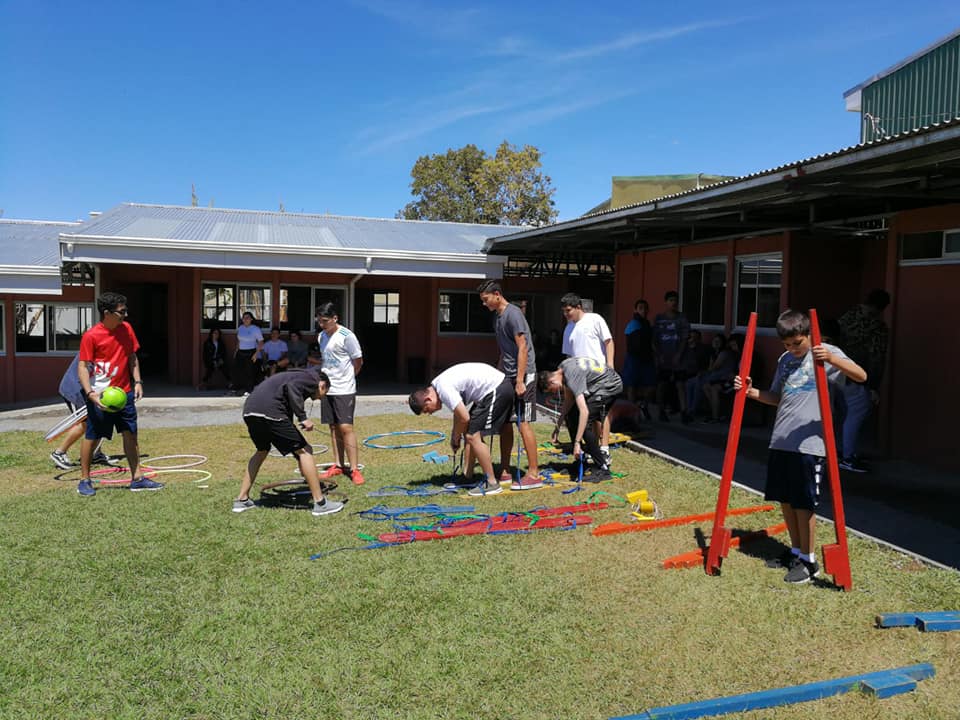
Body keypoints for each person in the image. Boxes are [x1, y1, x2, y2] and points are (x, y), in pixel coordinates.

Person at [735, 309, 866, 584]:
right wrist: (750, 392)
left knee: (803, 503)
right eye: (786, 345)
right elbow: (776, 397)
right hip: (781, 439)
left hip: (810, 444)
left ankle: (809, 561)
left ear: (808, 334)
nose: (792, 349)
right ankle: (794, 552)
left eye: (797, 343)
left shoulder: (825, 351)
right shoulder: (784, 360)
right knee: (785, 499)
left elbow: (861, 376)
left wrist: (831, 358)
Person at [75, 291, 163, 496]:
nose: (125, 315)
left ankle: (137, 478)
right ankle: (84, 480)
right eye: (121, 311)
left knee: (131, 435)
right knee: (93, 436)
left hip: (125, 393)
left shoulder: (127, 329)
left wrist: (138, 381)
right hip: (101, 397)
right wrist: (90, 394)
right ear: (107, 313)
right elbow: (82, 367)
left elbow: (132, 357)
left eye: (125, 310)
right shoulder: (91, 336)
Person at [231, 368, 344, 517]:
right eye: (324, 394)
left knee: (262, 450)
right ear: (322, 385)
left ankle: (242, 500)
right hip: (271, 411)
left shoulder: (294, 375)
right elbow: (293, 388)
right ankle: (320, 503)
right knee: (305, 451)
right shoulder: (311, 379)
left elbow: (288, 397)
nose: (319, 399)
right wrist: (303, 417)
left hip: (250, 410)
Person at [408, 362, 514, 497]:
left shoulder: (443, 389)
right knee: (469, 433)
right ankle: (467, 477)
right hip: (493, 389)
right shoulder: (438, 385)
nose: (430, 413)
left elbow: (464, 418)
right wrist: (455, 435)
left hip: (497, 388)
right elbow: (459, 413)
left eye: (427, 410)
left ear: (428, 399)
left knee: (472, 435)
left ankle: (492, 483)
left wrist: (456, 436)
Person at [477, 281, 541, 491]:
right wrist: (497, 376)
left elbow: (522, 347)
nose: (485, 305)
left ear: (497, 294)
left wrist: (520, 380)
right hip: (507, 375)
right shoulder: (498, 317)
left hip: (524, 374)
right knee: (504, 422)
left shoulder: (513, 314)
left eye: (486, 300)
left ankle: (534, 473)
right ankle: (505, 470)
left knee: (522, 423)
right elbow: (505, 351)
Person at [538, 357, 623, 481]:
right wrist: (557, 427)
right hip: (599, 384)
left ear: (552, 382)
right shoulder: (563, 368)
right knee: (571, 416)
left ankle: (602, 468)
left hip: (610, 386)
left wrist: (577, 442)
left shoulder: (572, 377)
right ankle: (581, 462)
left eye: (551, 391)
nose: (555, 393)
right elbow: (568, 401)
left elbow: (584, 411)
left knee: (585, 422)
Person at [836, 289, 891, 473]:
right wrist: (873, 386)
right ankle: (848, 456)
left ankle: (840, 451)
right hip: (857, 375)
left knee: (842, 414)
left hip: (835, 371)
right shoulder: (877, 327)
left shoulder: (847, 317)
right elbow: (876, 357)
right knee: (856, 414)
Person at [560, 293, 615, 462]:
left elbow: (609, 342)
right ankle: (593, 447)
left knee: (602, 412)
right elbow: (568, 356)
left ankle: (604, 447)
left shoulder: (595, 319)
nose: (566, 314)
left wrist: (610, 365)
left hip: (599, 373)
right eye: (564, 311)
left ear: (578, 307)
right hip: (580, 377)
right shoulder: (569, 327)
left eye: (568, 310)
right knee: (588, 413)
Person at [315, 303, 366, 486]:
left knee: (346, 428)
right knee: (333, 427)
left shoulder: (347, 336)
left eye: (325, 321)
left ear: (335, 318)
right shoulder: (321, 336)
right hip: (328, 389)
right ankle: (338, 464)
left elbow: (358, 361)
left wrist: (349, 378)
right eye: (319, 321)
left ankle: (354, 469)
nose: (322, 324)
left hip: (344, 389)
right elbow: (324, 361)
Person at [50, 353, 117, 470]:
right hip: (75, 390)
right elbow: (86, 372)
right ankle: (59, 452)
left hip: (90, 390)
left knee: (98, 419)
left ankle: (95, 454)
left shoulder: (109, 347)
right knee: (85, 423)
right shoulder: (93, 343)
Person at [652, 290, 690, 422]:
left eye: (675, 301)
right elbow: (654, 339)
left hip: (679, 358)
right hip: (663, 357)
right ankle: (661, 411)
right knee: (662, 385)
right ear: (666, 302)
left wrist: (679, 354)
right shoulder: (659, 319)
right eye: (671, 300)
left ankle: (684, 412)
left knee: (680, 384)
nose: (673, 303)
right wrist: (658, 355)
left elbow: (685, 338)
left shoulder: (682, 318)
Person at [622, 299, 656, 421]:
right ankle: (632, 412)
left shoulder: (647, 324)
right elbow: (633, 345)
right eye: (640, 308)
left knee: (651, 385)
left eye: (645, 308)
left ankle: (642, 405)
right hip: (634, 358)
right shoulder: (633, 324)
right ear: (635, 310)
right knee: (631, 385)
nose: (643, 310)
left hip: (647, 358)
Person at [701, 334, 743, 423]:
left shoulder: (727, 353)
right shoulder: (731, 353)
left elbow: (713, 368)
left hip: (734, 380)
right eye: (731, 345)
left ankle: (715, 416)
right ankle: (715, 412)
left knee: (714, 388)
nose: (733, 348)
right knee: (706, 386)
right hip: (726, 379)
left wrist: (734, 376)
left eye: (734, 345)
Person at [676, 329, 712, 424]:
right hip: (686, 374)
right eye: (691, 337)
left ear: (699, 339)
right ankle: (686, 410)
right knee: (686, 384)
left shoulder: (703, 349)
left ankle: (691, 410)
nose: (692, 339)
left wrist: (701, 372)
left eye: (695, 338)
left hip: (700, 374)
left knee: (696, 384)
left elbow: (707, 365)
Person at [234, 312, 264, 394]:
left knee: (250, 371)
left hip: (251, 352)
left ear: (251, 319)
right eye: (244, 318)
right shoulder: (240, 328)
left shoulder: (255, 329)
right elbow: (239, 341)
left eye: (247, 317)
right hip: (240, 352)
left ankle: (249, 390)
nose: (245, 319)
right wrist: (236, 351)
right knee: (240, 371)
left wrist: (256, 354)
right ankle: (240, 388)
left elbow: (261, 342)